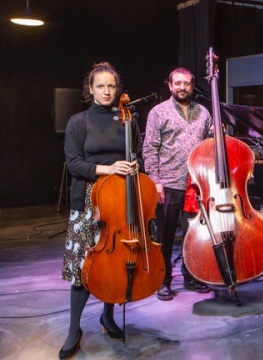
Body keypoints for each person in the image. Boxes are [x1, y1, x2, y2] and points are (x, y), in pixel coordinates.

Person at [60, 62, 138, 358]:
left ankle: (108, 317)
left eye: (111, 86)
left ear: (117, 89)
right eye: (101, 86)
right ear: (90, 89)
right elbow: (74, 163)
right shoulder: (78, 122)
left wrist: (133, 165)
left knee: (114, 263)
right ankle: (73, 329)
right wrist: (109, 168)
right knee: (83, 269)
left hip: (120, 202)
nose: (107, 91)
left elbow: (136, 153)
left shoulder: (127, 119)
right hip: (88, 203)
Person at [143, 67, 212, 301]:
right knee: (165, 235)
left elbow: (210, 144)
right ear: (170, 86)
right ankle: (163, 281)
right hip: (169, 183)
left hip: (196, 184)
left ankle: (191, 277)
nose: (182, 87)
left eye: (187, 83)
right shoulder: (158, 112)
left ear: (193, 86)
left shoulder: (203, 112)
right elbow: (150, 148)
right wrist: (155, 181)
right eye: (178, 83)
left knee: (193, 235)